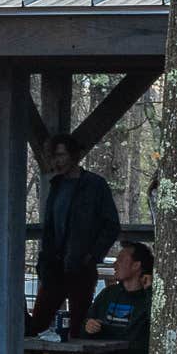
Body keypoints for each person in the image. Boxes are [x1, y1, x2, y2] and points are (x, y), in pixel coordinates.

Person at [30, 136, 121, 341]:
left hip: (80, 265)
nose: (57, 162)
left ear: (74, 155)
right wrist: (44, 260)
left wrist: (92, 254)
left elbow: (111, 224)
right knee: (37, 324)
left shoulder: (94, 185)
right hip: (54, 265)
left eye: (61, 155)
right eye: (53, 157)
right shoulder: (56, 185)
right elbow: (50, 228)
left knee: (80, 327)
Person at [53, 239, 152, 354]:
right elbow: (83, 328)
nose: (115, 264)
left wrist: (150, 291)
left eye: (121, 260)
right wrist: (88, 327)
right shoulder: (109, 294)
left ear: (137, 266)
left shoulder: (151, 298)